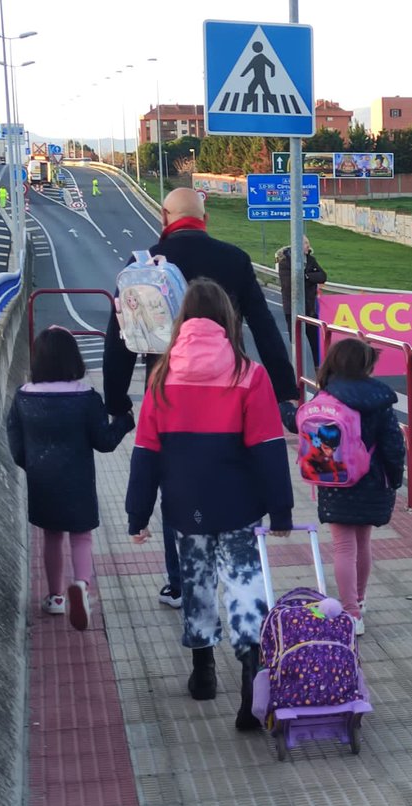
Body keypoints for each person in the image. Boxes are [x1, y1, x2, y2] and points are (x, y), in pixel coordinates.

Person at [103, 187, 299, 611]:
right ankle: (241, 584)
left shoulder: (143, 266)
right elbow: (265, 328)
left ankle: (182, 584)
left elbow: (118, 340)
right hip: (233, 389)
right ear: (204, 218)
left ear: (164, 216)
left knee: (177, 485)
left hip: (167, 392)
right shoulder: (234, 259)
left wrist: (117, 402)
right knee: (234, 473)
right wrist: (286, 392)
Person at [126, 278, 294, 731]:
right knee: (245, 588)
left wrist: (136, 515)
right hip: (239, 505)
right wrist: (281, 510)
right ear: (227, 319)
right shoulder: (249, 374)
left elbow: (146, 452)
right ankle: (250, 684)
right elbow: (268, 446)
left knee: (196, 585)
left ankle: (202, 674)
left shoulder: (161, 376)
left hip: (184, 505)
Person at [6, 327, 134, 631]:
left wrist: (33, 464)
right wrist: (124, 423)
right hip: (78, 482)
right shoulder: (87, 398)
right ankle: (81, 586)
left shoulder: (23, 397)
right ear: (72, 359)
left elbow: (16, 444)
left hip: (42, 482)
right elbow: (104, 441)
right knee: (81, 536)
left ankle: (55, 598)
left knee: (51, 536)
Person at [282, 338, 404, 635]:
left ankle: (350, 613)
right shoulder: (380, 400)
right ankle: (359, 602)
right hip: (372, 481)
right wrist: (395, 479)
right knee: (363, 543)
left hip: (333, 479)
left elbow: (298, 422)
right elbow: (393, 445)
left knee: (343, 546)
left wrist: (282, 407)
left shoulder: (325, 397)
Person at [276, 236, 328, 367]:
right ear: (297, 245)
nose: (308, 246)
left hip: (310, 309)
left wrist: (306, 276)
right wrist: (310, 278)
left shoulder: (310, 260)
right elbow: (290, 284)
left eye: (308, 243)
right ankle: (296, 372)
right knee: (296, 344)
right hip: (293, 309)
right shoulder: (285, 262)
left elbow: (322, 276)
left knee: (316, 345)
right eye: (305, 243)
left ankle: (319, 373)